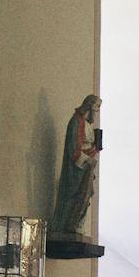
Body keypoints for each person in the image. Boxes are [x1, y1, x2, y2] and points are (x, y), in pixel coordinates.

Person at [50, 94, 102, 240]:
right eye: (97, 106)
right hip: (76, 169)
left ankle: (77, 226)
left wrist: (95, 148)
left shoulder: (87, 124)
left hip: (86, 167)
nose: (97, 111)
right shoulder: (76, 122)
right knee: (74, 194)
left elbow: (87, 146)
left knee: (86, 195)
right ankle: (67, 225)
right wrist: (87, 159)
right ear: (90, 105)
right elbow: (74, 148)